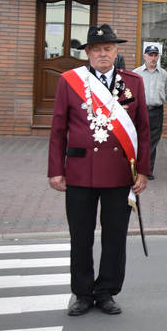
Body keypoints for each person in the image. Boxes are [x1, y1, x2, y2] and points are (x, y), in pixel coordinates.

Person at [47, 24, 150, 316]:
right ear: (88, 54)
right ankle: (82, 293)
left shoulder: (133, 83)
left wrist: (143, 171)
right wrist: (56, 170)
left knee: (115, 235)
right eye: (96, 50)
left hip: (119, 172)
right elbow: (57, 130)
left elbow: (144, 129)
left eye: (108, 49)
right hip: (80, 171)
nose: (102, 54)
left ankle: (106, 291)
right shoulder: (69, 82)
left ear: (116, 52)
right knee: (81, 235)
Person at [135, 44, 167, 180]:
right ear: (145, 56)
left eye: (155, 55)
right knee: (138, 139)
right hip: (140, 111)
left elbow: (166, 94)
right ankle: (136, 168)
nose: (153, 58)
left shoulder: (164, 74)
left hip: (156, 111)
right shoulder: (137, 73)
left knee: (153, 141)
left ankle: (147, 170)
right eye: (150, 55)